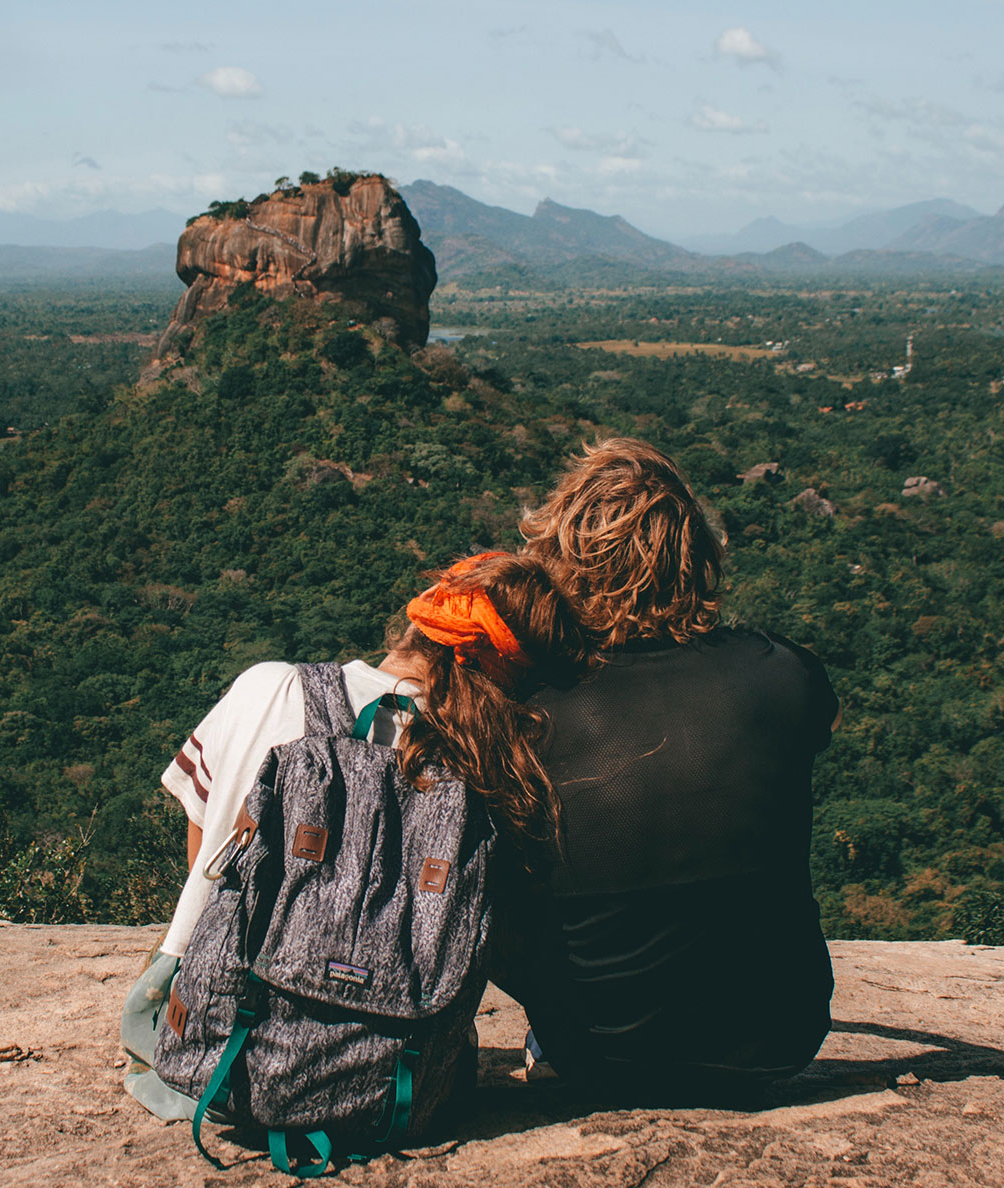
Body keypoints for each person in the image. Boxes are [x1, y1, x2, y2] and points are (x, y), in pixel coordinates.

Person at [120, 551, 586, 1119]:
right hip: (392, 1064)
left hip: (207, 1038)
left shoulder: (268, 687)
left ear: (418, 620)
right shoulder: (489, 763)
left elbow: (205, 852)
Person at [500, 437, 841, 1104]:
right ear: (697, 555)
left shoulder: (529, 711)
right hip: (779, 1040)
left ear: (561, 560)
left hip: (596, 1054)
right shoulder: (783, 673)